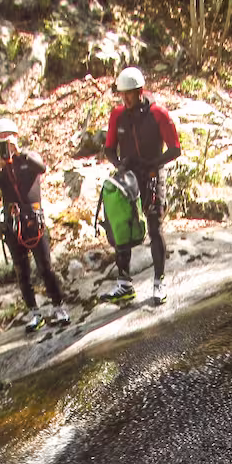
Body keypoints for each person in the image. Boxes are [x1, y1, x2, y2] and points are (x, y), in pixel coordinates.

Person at [0, 116, 70, 334]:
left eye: (8, 137)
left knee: (45, 267)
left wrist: (20, 152)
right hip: (13, 224)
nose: (5, 141)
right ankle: (34, 313)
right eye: (1, 138)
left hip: (34, 221)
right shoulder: (0, 169)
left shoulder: (28, 159)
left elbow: (42, 167)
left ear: (16, 137)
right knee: (22, 272)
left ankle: (59, 307)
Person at [100, 66, 181, 306]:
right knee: (121, 226)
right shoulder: (117, 116)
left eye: (129, 94)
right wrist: (119, 165)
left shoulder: (158, 114)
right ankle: (124, 284)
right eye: (122, 94)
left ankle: (159, 282)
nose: (125, 98)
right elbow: (108, 148)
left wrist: (153, 163)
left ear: (140, 91)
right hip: (128, 177)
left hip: (153, 174)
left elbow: (175, 149)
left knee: (155, 227)